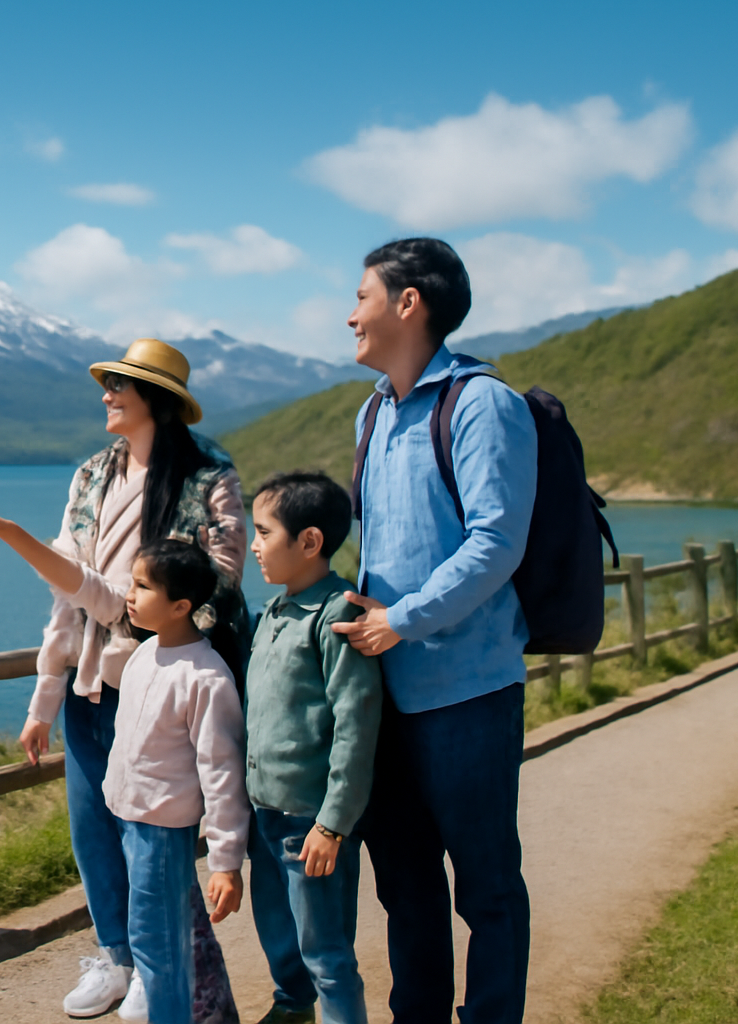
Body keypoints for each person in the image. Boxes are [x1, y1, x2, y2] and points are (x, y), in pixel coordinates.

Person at [0, 338, 248, 1021]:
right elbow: (69, 597)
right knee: (94, 834)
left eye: (119, 386)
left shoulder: (209, 478)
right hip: (88, 688)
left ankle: (157, 968)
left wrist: (18, 539)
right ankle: (117, 959)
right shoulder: (92, 475)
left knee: (153, 841)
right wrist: (44, 697)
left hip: (161, 686)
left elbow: (218, 589)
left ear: (156, 401)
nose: (105, 396)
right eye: (107, 384)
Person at [334, 238, 537, 1024]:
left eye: (362, 296)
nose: (351, 314)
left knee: (485, 888)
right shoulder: (374, 409)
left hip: (468, 691)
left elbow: (495, 542)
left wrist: (403, 620)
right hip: (387, 690)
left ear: (408, 303)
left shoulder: (484, 402)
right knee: (407, 889)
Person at [244, 471, 382, 1024]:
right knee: (280, 935)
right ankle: (293, 1008)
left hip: (310, 821)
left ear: (309, 542)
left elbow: (356, 723)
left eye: (263, 531)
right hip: (265, 812)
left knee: (326, 953)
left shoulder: (336, 613)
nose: (253, 545)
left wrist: (332, 824)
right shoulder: (276, 611)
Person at [104, 538, 248, 1024]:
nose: (130, 593)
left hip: (163, 832)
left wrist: (226, 861)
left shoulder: (205, 677)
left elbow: (222, 772)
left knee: (159, 946)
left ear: (181, 606)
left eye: (143, 586)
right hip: (128, 820)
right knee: (159, 938)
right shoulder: (144, 655)